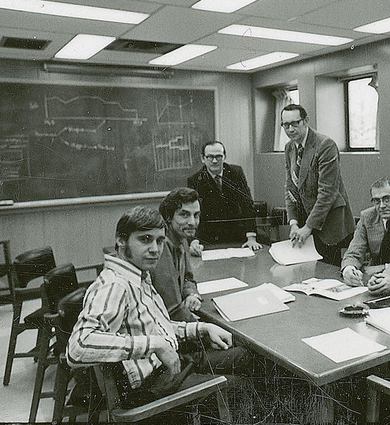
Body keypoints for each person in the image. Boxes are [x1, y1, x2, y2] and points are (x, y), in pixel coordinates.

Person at [67, 206, 248, 408]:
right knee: (241, 388)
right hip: (151, 385)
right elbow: (78, 346)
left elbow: (154, 328)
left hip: (169, 366)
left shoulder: (138, 275)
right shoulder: (115, 285)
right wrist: (155, 344)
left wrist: (201, 328)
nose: (155, 249)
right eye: (145, 239)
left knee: (246, 356)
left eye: (160, 241)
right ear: (121, 240)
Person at [282, 103, 355, 266]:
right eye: (286, 125)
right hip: (306, 220)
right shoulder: (289, 147)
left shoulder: (325, 145)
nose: (290, 129)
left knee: (328, 272)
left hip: (330, 223)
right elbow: (290, 188)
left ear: (306, 121)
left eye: (295, 123)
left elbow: (327, 193)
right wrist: (293, 223)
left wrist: (308, 227)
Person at [341, 177, 390, 287]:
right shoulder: (367, 217)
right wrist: (348, 269)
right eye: (376, 200)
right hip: (372, 281)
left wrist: (384, 267)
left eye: (387, 199)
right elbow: (354, 252)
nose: (381, 206)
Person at [187, 141, 255, 251]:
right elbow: (192, 213)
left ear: (225, 157)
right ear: (202, 158)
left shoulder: (236, 173)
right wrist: (194, 241)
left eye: (218, 156)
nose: (214, 161)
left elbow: (247, 204)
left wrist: (251, 237)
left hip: (237, 236)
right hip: (209, 239)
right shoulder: (194, 180)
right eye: (210, 157)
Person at [152, 187, 202, 321]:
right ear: (169, 217)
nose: (192, 222)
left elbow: (188, 278)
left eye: (196, 215)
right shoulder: (161, 245)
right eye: (184, 215)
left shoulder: (182, 237)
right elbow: (172, 309)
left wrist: (191, 294)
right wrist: (201, 329)